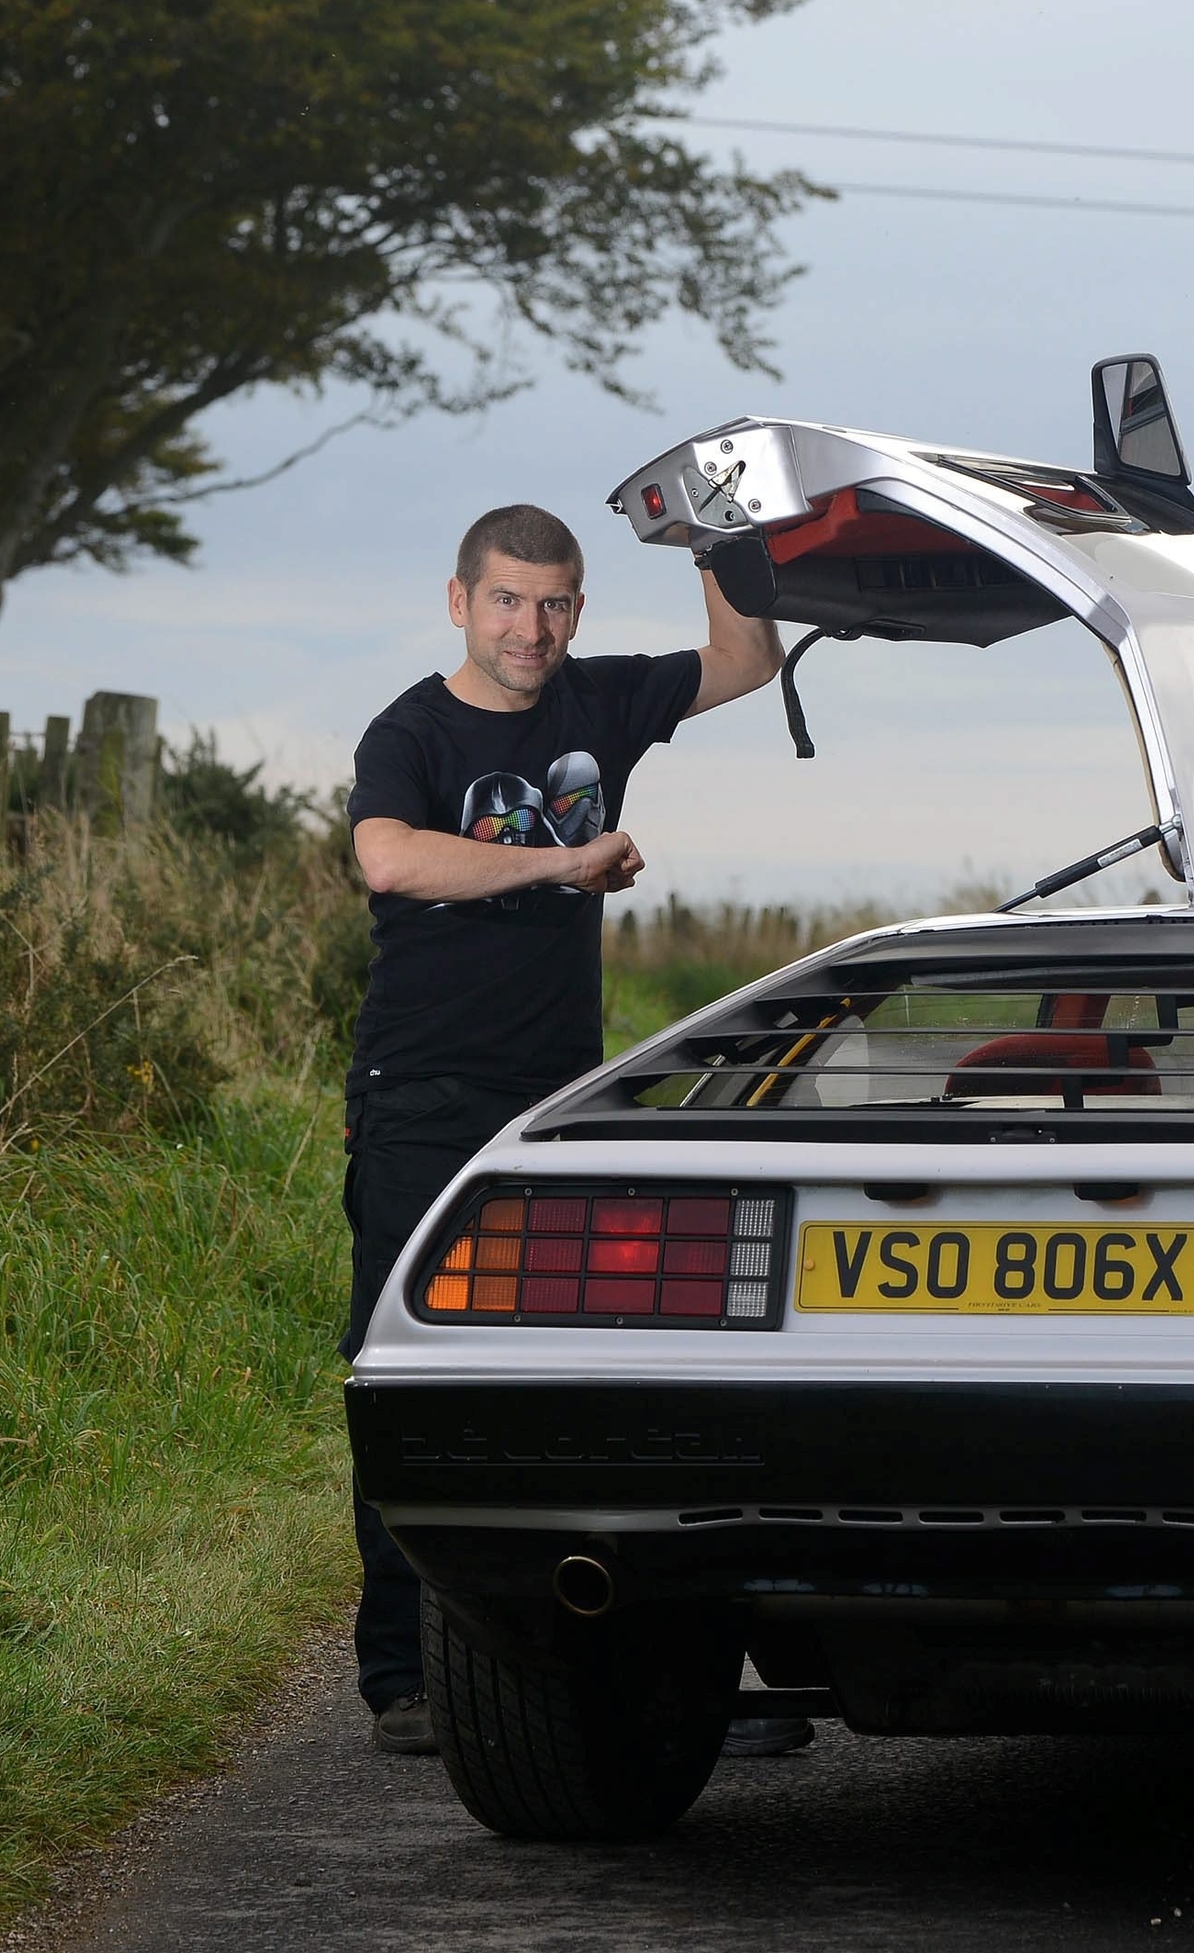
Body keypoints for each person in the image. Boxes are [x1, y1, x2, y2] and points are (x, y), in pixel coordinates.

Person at [342, 501, 797, 1757]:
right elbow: (390, 862)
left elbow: (748, 663)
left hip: (556, 1100)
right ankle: (404, 1679)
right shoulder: (410, 730)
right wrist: (563, 864)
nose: (528, 629)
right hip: (422, 1096)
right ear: (458, 602)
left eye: (551, 605)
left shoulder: (598, 701)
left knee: (584, 1374)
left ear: (577, 611)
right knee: (409, 1366)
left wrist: (718, 539)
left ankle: (612, 1660)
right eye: (504, 601)